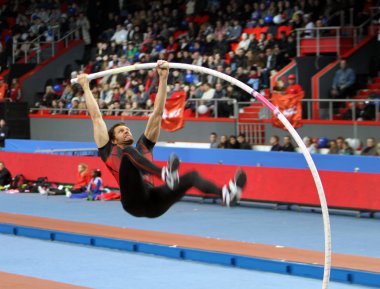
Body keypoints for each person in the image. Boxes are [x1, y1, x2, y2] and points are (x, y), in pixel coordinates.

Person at [76, 60, 247, 218]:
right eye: (121, 131)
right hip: (132, 203)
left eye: (128, 130)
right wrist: (85, 86)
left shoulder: (143, 147)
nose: (127, 132)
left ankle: (226, 194)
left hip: (154, 203)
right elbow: (97, 117)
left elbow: (157, 113)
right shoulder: (108, 150)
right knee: (129, 152)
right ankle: (164, 174)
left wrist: (163, 78)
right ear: (113, 139)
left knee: (192, 176)